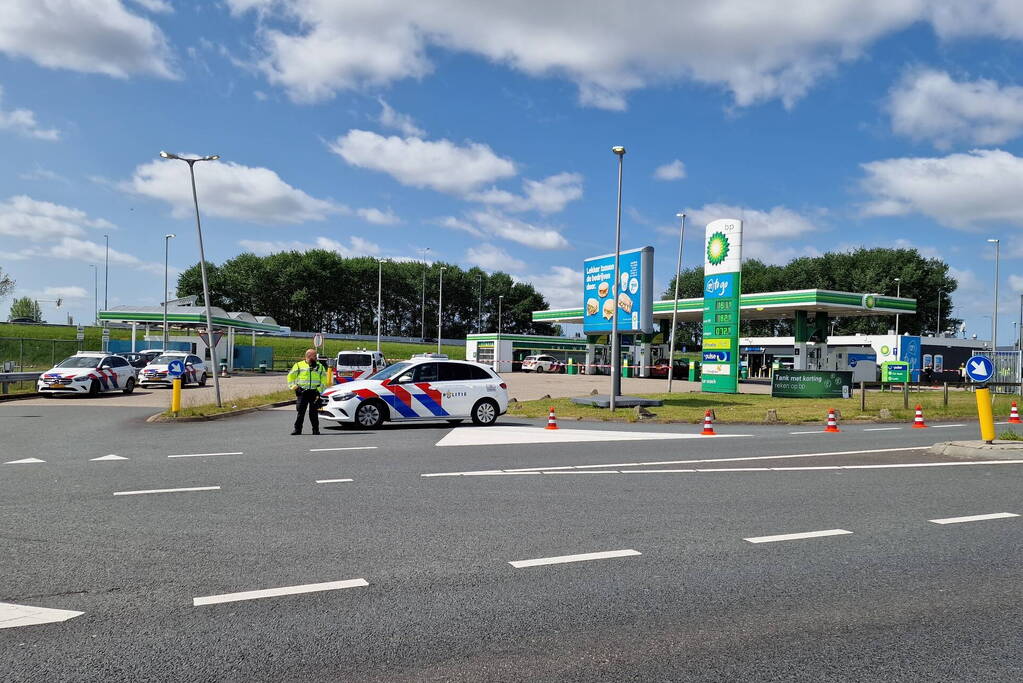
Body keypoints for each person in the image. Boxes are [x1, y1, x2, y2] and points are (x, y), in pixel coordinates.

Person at [287, 348, 328, 435]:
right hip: (302, 392)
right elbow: (290, 377)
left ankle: (315, 430)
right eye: (314, 356)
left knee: (313, 413)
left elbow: (324, 380)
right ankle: (297, 430)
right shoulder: (298, 365)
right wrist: (295, 388)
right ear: (308, 356)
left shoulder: (319, 366)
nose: (316, 358)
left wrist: (319, 390)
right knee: (300, 412)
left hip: (314, 392)